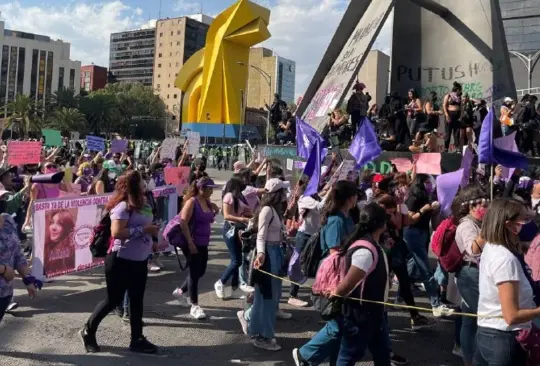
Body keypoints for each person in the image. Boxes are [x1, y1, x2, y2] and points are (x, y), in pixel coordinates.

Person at [80, 170, 160, 354]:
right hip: (120, 259)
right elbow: (117, 232)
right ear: (134, 184)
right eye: (141, 180)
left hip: (140, 259)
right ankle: (88, 330)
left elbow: (147, 225)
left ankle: (137, 339)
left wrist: (154, 237)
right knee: (113, 299)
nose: (145, 182)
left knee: (136, 299)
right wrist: (144, 229)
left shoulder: (144, 203)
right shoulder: (123, 207)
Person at [294, 180, 358, 365]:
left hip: (343, 273)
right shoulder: (336, 220)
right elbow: (334, 254)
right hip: (334, 276)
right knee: (338, 324)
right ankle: (305, 354)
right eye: (355, 195)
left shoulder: (346, 217)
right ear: (349, 198)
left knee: (341, 325)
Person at [474, 198, 540, 365]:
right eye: (524, 219)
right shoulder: (505, 260)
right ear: (510, 225)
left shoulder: (492, 247)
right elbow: (511, 316)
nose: (528, 223)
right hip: (504, 339)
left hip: (487, 334)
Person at [248, 178, 289, 351]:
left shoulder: (273, 209)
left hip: (275, 253)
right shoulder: (266, 210)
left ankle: (258, 330)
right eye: (283, 192)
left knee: (270, 296)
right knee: (267, 298)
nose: (286, 195)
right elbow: (260, 235)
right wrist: (262, 254)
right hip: (269, 255)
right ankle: (262, 335)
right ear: (277, 194)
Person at [404, 174, 452, 317]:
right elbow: (410, 220)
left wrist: (435, 211)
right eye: (427, 182)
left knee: (411, 266)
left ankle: (401, 294)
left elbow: (435, 224)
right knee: (425, 269)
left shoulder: (427, 198)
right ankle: (435, 304)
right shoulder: (413, 199)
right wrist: (423, 210)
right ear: (420, 183)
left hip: (423, 233)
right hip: (412, 233)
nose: (430, 185)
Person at [172, 177, 219, 319]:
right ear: (201, 189)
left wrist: (215, 211)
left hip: (204, 242)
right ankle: (195, 306)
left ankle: (180, 291)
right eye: (209, 188)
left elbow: (209, 220)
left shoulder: (207, 202)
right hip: (192, 242)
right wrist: (190, 243)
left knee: (201, 271)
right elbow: (183, 222)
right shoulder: (192, 202)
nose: (212, 191)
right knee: (194, 273)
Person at [452, 186, 488, 366]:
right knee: (476, 318)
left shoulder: (477, 223)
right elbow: (473, 250)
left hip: (475, 273)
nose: (485, 207)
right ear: (470, 206)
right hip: (470, 273)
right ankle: (471, 359)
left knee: (470, 319)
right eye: (481, 204)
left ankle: (469, 359)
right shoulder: (466, 225)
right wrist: (487, 230)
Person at [288, 182, 330, 307]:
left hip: (315, 235)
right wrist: (330, 191)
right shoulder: (305, 199)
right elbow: (321, 207)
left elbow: (324, 203)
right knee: (297, 264)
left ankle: (317, 290)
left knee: (315, 262)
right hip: (304, 236)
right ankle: (292, 295)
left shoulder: (314, 198)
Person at [0, 198, 38, 324]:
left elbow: (17, 253)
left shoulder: (7, 220)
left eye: (2, 197)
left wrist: (27, 278)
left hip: (5, 293)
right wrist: (3, 269)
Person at [215, 177, 252, 299]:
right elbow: (226, 215)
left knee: (237, 259)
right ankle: (221, 282)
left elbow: (244, 211)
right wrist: (243, 219)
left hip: (238, 230)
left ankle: (234, 287)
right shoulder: (229, 197)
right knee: (236, 260)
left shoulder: (239, 197)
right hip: (230, 229)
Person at [43, 210, 76, 277]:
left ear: (67, 228)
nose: (53, 227)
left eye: (59, 224)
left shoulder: (72, 250)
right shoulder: (46, 246)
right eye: (52, 222)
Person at [443, 82, 463, 152]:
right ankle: (446, 148)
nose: (461, 91)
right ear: (457, 90)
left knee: (456, 133)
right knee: (448, 132)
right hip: (450, 115)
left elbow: (461, 108)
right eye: (460, 90)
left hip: (457, 116)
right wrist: (447, 115)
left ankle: (457, 148)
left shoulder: (459, 97)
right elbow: (444, 106)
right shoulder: (448, 96)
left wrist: (460, 116)